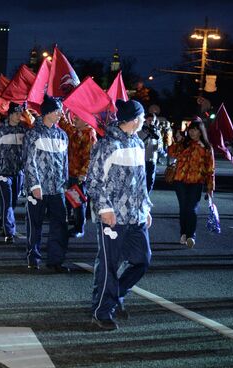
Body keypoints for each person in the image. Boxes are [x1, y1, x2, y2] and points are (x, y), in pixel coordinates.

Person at [86, 99, 153, 331]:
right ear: (134, 119)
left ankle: (115, 296)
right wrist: (105, 209)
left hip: (136, 216)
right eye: (143, 117)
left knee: (142, 260)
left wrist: (146, 208)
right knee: (109, 265)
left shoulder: (138, 144)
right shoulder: (107, 145)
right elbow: (93, 181)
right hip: (113, 218)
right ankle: (101, 311)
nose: (144, 121)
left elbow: (142, 182)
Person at [23, 95, 69, 271]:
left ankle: (55, 260)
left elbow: (65, 161)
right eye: (57, 111)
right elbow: (29, 161)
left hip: (57, 189)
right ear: (47, 112)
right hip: (39, 189)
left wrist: (64, 183)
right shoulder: (33, 133)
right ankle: (33, 258)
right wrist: (34, 185)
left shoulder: (62, 135)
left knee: (60, 224)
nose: (60, 114)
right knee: (35, 224)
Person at [167, 118, 215, 248]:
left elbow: (210, 170)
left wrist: (210, 187)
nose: (193, 133)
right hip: (180, 180)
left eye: (195, 130)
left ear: (201, 132)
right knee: (183, 208)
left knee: (192, 209)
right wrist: (174, 139)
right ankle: (183, 233)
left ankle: (191, 235)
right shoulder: (184, 143)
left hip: (196, 181)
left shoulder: (206, 148)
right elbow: (171, 152)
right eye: (191, 130)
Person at [0, 102, 27, 244]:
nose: (18, 116)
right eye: (16, 113)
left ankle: (3, 220)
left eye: (20, 113)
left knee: (13, 201)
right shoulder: (0, 132)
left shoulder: (24, 130)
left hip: (18, 172)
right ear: (9, 115)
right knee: (7, 201)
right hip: (3, 172)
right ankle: (9, 232)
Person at [59, 112, 97, 238]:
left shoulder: (89, 133)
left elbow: (89, 157)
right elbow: (64, 124)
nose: (74, 119)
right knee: (71, 199)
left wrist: (83, 174)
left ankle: (79, 228)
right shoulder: (74, 131)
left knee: (78, 201)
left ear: (85, 119)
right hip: (69, 172)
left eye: (77, 117)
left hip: (79, 175)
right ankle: (74, 222)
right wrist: (62, 114)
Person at [138, 113, 161, 194]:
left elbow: (160, 143)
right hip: (142, 158)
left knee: (150, 179)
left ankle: (147, 195)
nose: (151, 122)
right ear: (146, 120)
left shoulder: (156, 131)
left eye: (153, 121)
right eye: (149, 120)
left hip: (152, 158)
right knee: (141, 178)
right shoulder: (140, 129)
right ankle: (141, 195)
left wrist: (158, 146)